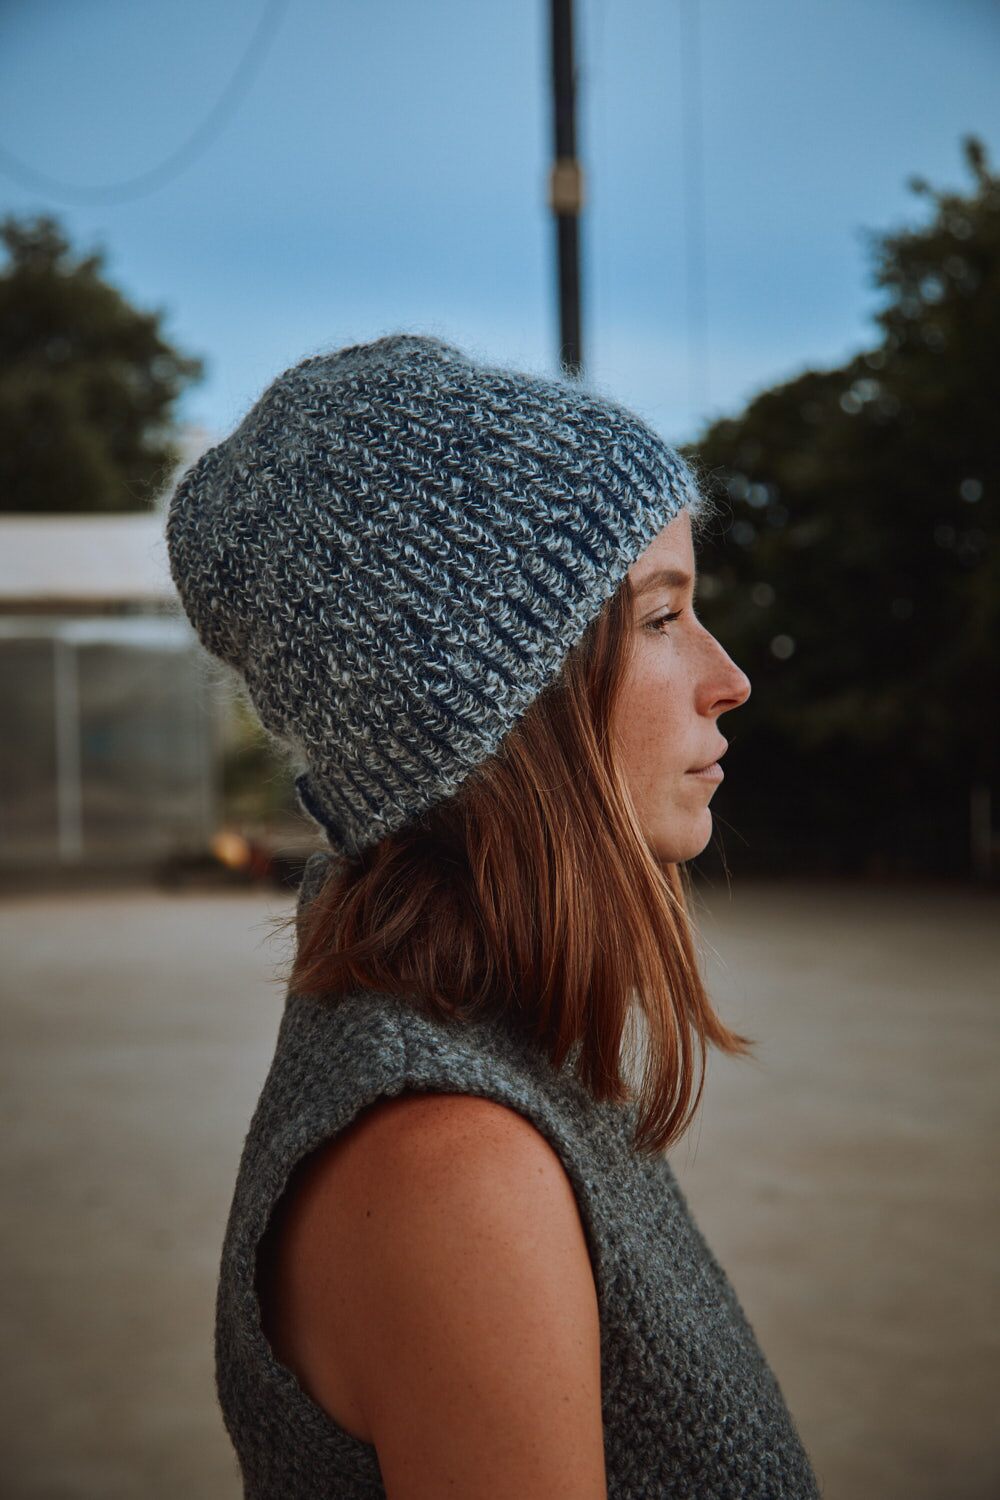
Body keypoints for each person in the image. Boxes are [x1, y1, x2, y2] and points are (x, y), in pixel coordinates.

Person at [166, 333, 821, 1499]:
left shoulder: (499, 1055)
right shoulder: (455, 1168)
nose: (729, 678)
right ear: (494, 704)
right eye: (660, 619)